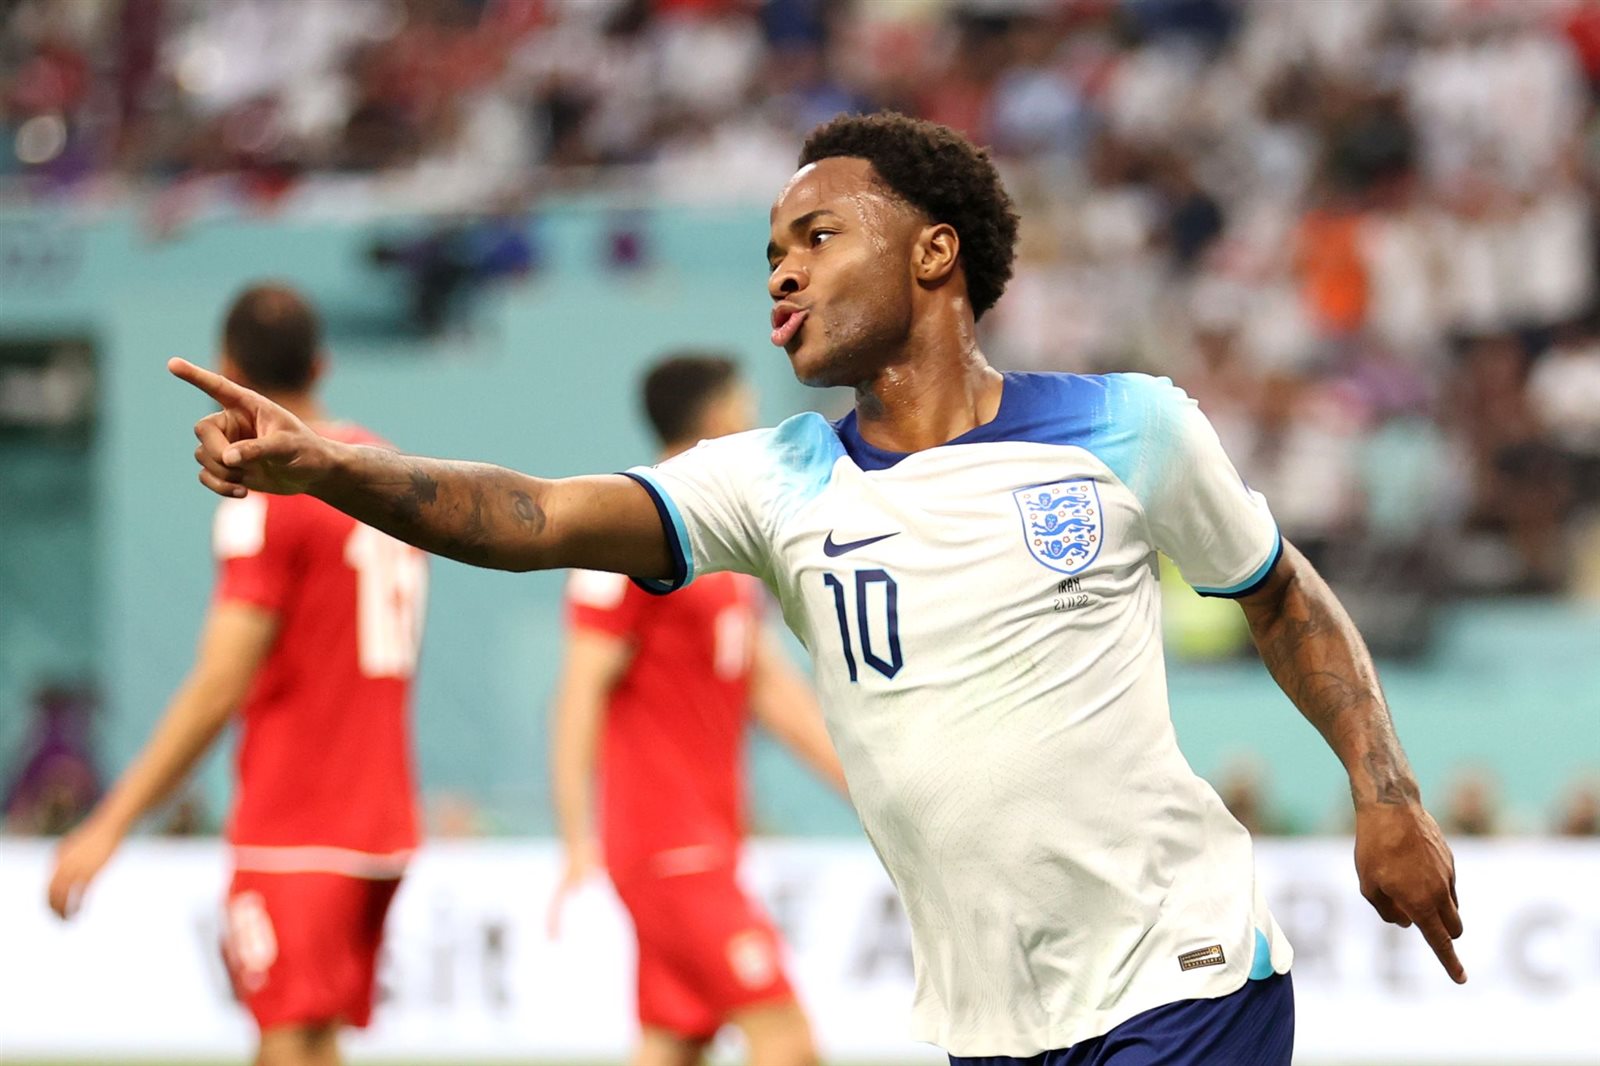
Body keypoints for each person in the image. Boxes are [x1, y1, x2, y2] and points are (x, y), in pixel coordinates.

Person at [172, 113, 1465, 1065]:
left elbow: (1280, 594)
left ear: (935, 253)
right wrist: (330, 466)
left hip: (1185, 979)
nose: (781, 272)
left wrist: (1388, 793)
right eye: (772, 251)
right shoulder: (773, 480)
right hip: (990, 1022)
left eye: (818, 235)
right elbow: (536, 516)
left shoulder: (1132, 429)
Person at [53, 285, 428, 1066]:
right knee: (314, 1039)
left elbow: (218, 685)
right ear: (321, 366)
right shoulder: (382, 468)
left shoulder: (271, 493)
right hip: (383, 822)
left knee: (286, 1038)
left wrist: (109, 823)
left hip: (297, 822)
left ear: (225, 369)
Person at [547, 352, 846, 1066]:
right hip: (666, 848)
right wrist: (575, 834)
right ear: (717, 418)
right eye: (745, 406)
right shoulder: (628, 531)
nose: (755, 422)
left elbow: (774, 695)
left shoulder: (720, 544)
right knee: (787, 1040)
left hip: (703, 841)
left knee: (674, 1042)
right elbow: (580, 691)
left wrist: (877, 788)